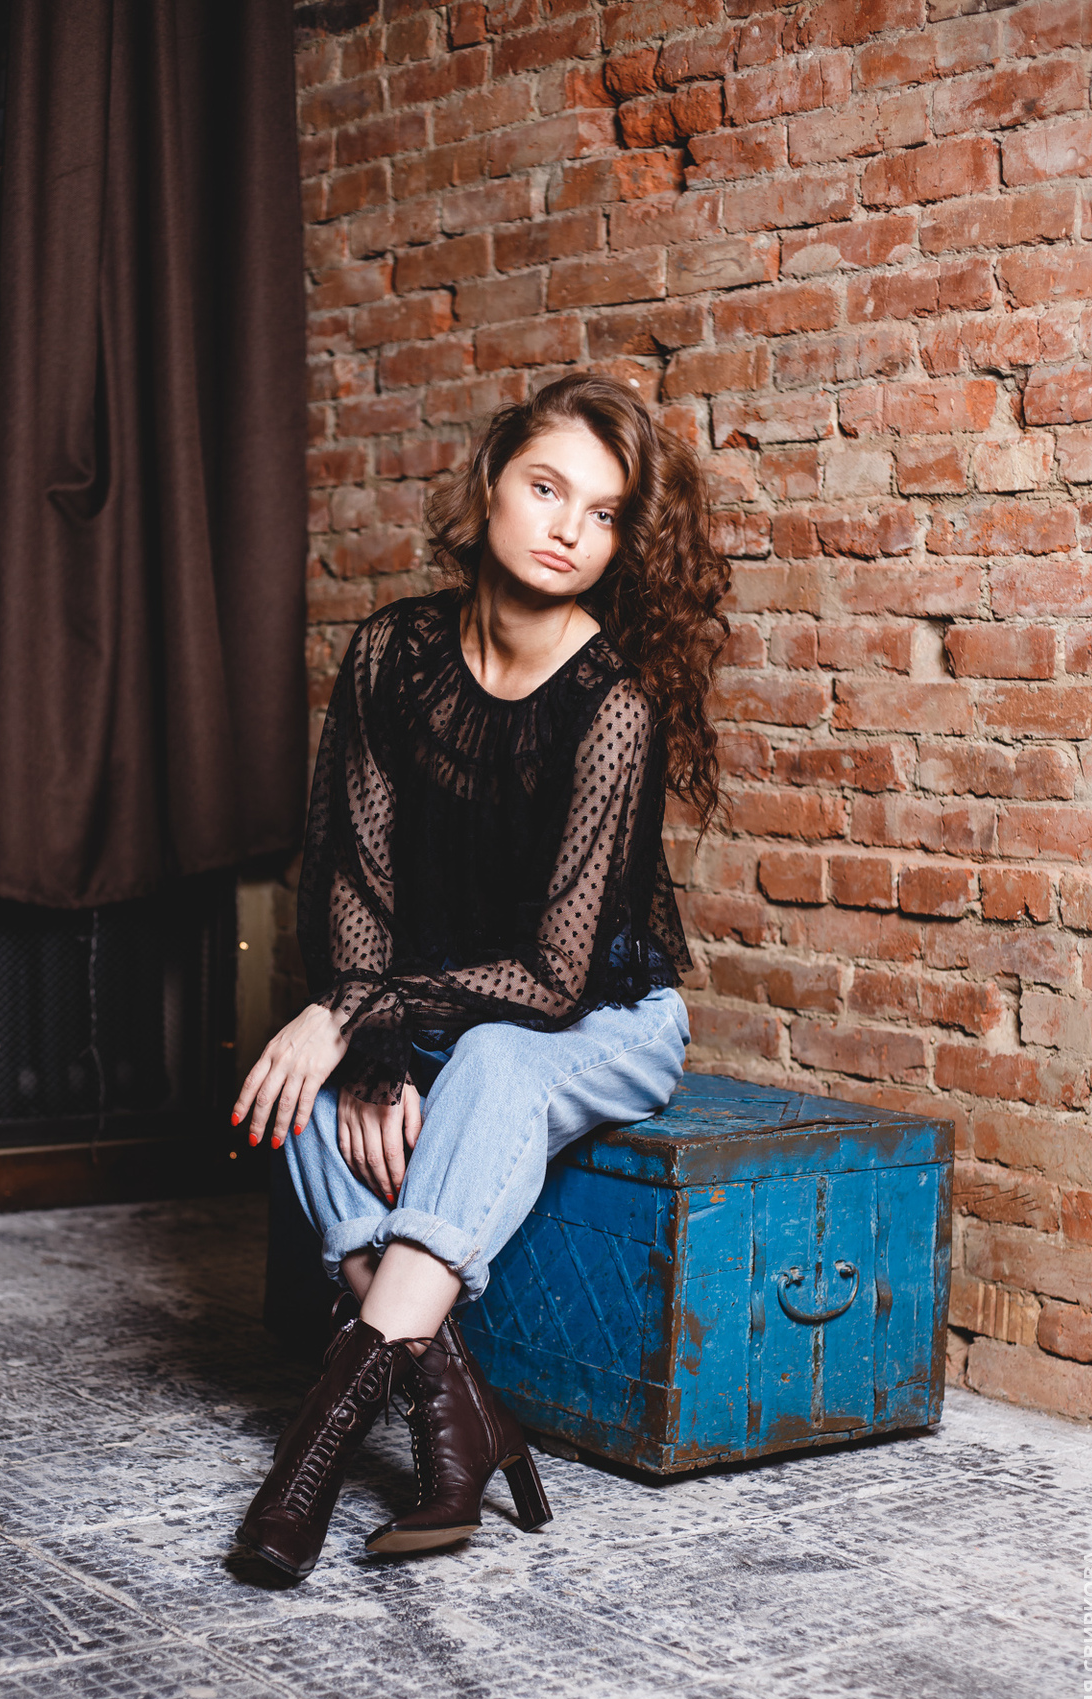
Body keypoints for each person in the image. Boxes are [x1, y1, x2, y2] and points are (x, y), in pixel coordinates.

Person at [231, 371, 729, 1580]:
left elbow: (556, 979)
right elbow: (349, 881)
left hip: (603, 1018)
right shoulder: (391, 653)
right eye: (546, 489)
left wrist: (359, 1009)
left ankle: (307, 1461)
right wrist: (364, 1042)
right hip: (436, 1007)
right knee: (309, 1078)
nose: (566, 530)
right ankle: (462, 1423)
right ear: (491, 483)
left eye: (601, 514)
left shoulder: (614, 703)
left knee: (486, 1058)